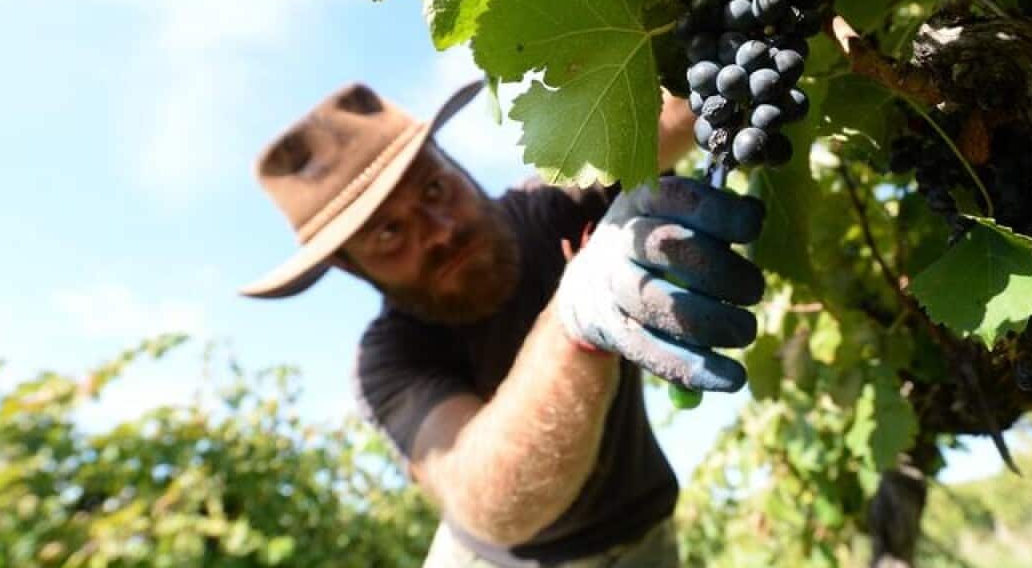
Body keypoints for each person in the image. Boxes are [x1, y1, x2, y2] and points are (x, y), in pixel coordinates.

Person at [240, 80, 765, 567]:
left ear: (457, 165)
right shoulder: (390, 359)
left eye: (432, 190)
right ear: (351, 267)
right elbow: (486, 499)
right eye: (389, 232)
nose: (439, 231)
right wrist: (574, 324)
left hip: (648, 538)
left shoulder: (554, 205)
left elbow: (673, 113)